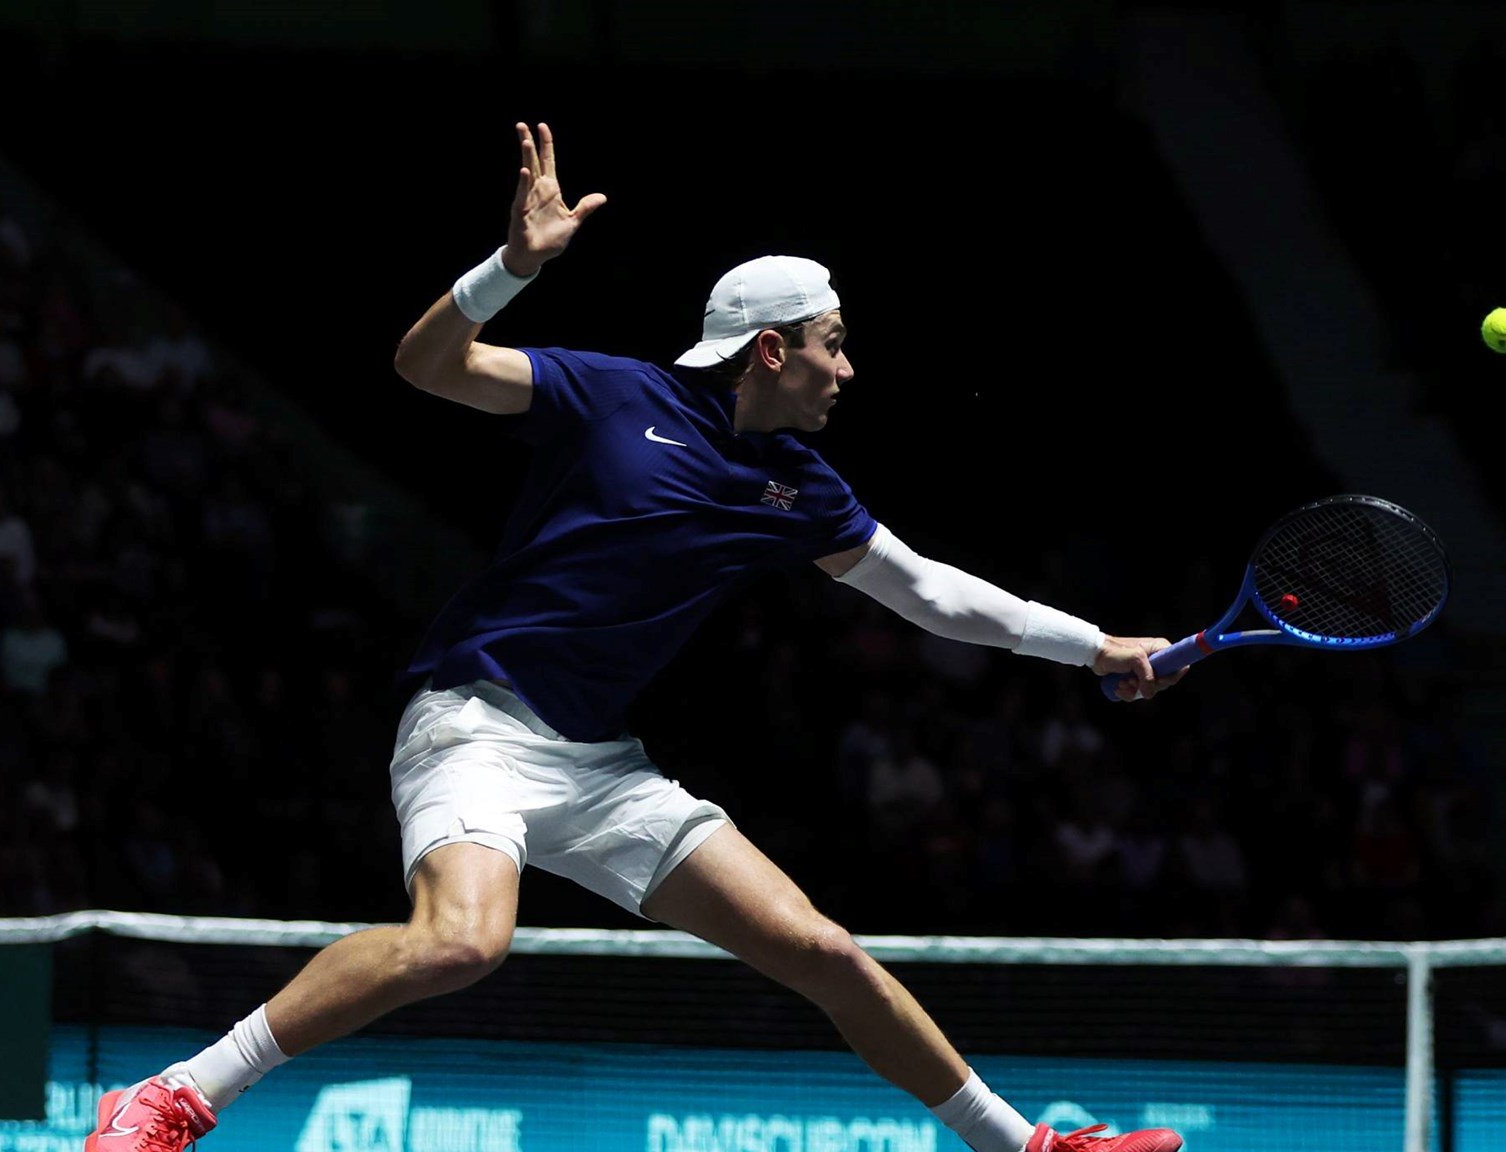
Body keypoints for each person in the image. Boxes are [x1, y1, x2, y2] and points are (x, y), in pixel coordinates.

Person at [87, 122, 1187, 1152]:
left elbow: (928, 594)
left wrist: (1093, 646)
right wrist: (510, 268)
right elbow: (427, 366)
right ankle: (177, 1093)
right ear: (770, 350)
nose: (847, 370)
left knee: (821, 950)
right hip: (474, 724)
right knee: (461, 942)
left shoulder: (798, 486)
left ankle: (1027, 1145)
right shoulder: (610, 396)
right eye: (833, 346)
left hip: (600, 769)